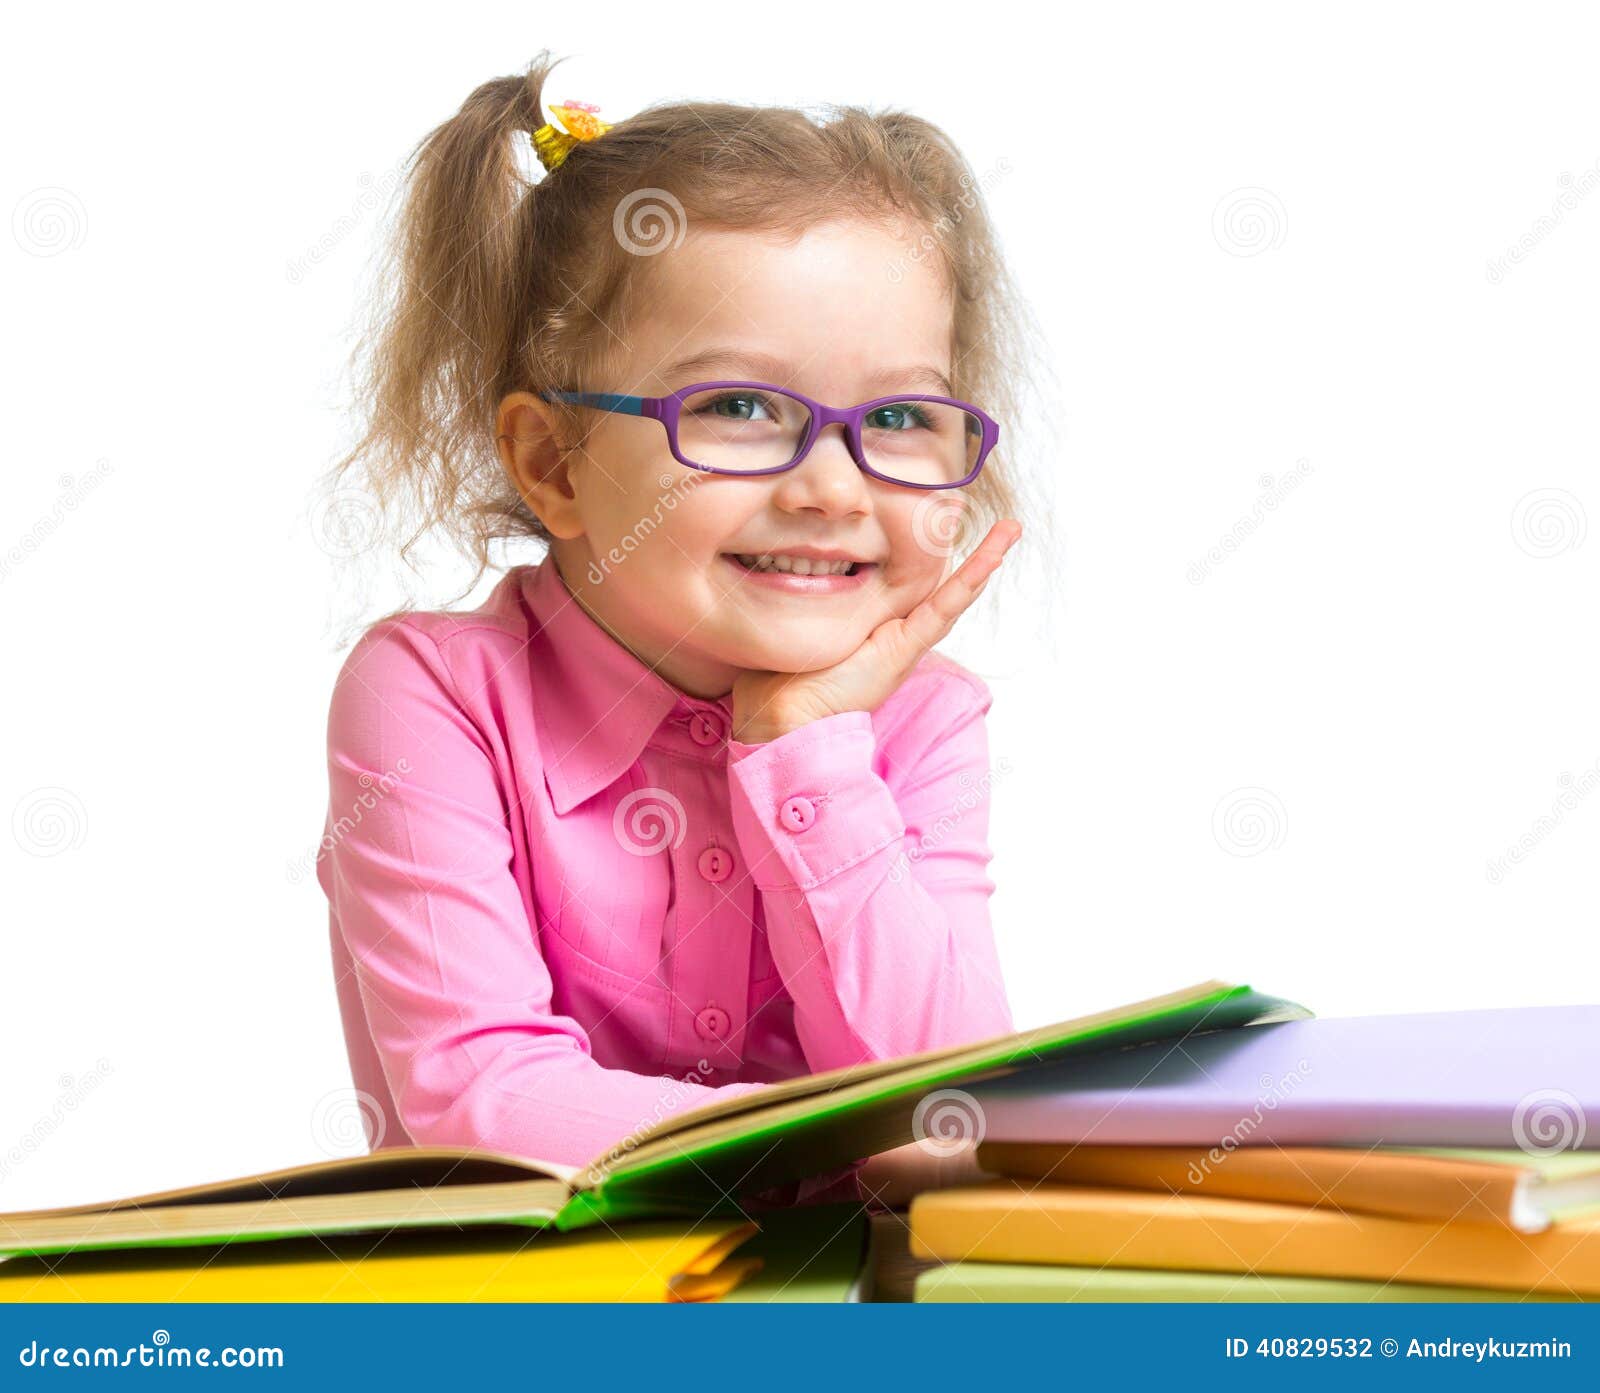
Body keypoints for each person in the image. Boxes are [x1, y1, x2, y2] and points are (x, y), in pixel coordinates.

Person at [315, 53, 1032, 1204]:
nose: (833, 489)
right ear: (554, 462)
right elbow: (482, 1098)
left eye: (896, 416)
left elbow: (958, 1118)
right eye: (741, 408)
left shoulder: (924, 720)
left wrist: (804, 752)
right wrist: (855, 1147)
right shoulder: (436, 695)